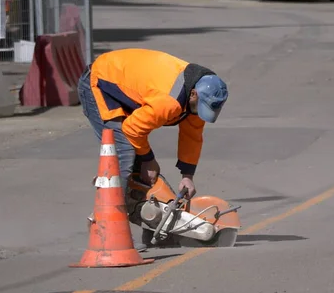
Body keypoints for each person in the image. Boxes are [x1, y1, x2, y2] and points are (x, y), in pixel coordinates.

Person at [77, 48, 229, 251]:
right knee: (122, 154)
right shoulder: (170, 102)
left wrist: (187, 175)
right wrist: (147, 158)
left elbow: (192, 136)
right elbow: (132, 129)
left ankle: (155, 226)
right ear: (193, 94)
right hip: (100, 82)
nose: (201, 113)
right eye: (202, 107)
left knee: (143, 168)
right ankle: (104, 229)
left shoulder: (196, 94)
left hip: (128, 86)